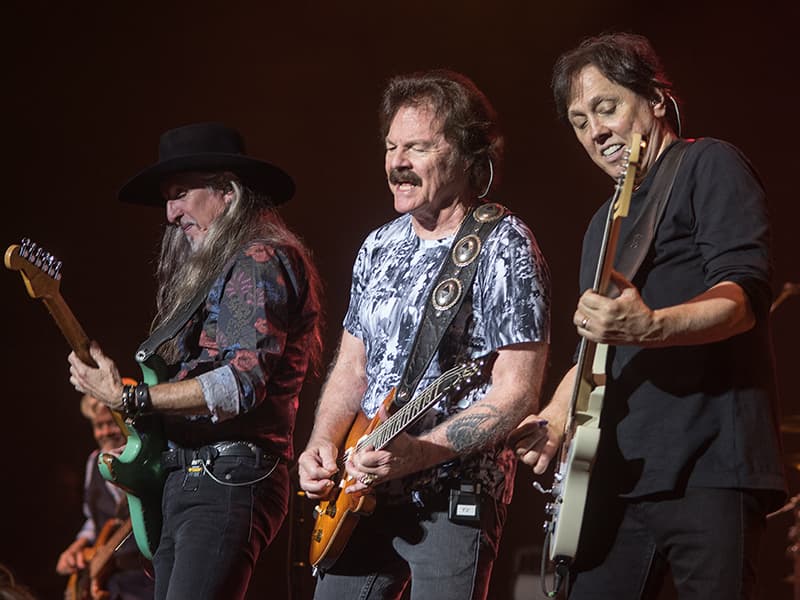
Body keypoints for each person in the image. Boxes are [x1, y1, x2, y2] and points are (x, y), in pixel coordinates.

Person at [512, 33, 787, 598]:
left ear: (656, 99)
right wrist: (558, 413)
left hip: (709, 468)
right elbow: (594, 348)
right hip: (614, 480)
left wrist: (652, 325)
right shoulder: (602, 223)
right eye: (579, 120)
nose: (596, 131)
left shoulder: (708, 164)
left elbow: (743, 298)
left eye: (606, 107)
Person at [298, 70, 551, 600]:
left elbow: (517, 391)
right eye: (391, 147)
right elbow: (352, 367)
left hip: (452, 495)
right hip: (360, 492)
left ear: (465, 154)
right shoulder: (377, 246)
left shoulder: (505, 244)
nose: (397, 162)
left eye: (417, 147)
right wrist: (323, 442)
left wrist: (419, 453)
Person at [67, 122, 323, 600]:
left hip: (228, 479)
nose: (170, 214)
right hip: (190, 479)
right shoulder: (223, 268)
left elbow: (241, 383)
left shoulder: (259, 258)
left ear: (227, 192)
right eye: (167, 198)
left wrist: (129, 397)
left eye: (181, 193)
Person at [56, 390, 154, 600]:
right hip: (112, 580)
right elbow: (93, 518)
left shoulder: (145, 460)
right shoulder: (93, 462)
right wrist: (78, 545)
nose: (105, 432)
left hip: (147, 577)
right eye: (98, 426)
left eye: (111, 423)